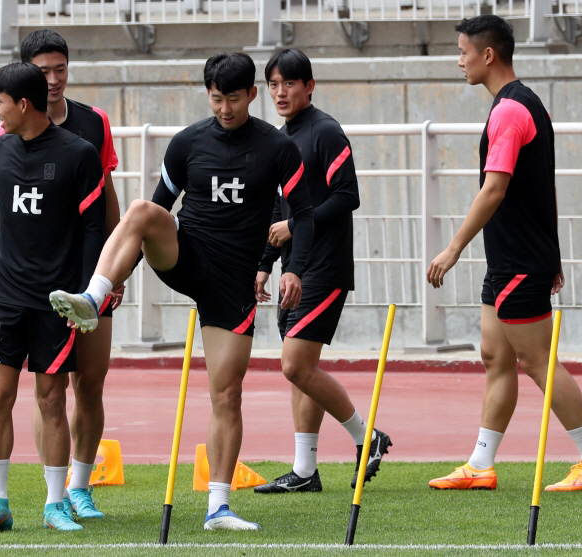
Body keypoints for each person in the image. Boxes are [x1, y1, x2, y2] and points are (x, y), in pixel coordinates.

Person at [49, 52, 314, 530]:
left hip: (232, 280)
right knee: (141, 210)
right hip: (185, 256)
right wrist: (120, 275)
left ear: (251, 95)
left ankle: (218, 507)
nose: (225, 109)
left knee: (226, 393)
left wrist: (292, 269)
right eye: (216, 100)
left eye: (233, 99)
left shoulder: (278, 148)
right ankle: (93, 295)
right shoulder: (188, 143)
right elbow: (152, 215)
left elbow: (306, 215)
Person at [426, 15, 582, 491]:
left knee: (538, 362)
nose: (459, 60)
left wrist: (451, 249)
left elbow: (495, 190)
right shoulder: (522, 104)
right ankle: (480, 465)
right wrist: (553, 255)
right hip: (512, 260)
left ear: (487, 55)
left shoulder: (510, 111)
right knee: (496, 356)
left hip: (517, 261)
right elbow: (541, 187)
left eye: (463, 51)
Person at [0, 29, 122, 521]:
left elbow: (104, 205)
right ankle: (23, 499)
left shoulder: (91, 128)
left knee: (86, 386)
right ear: (28, 80)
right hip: (11, 290)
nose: (55, 79)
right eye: (44, 71)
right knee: (17, 394)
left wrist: (107, 276)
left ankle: (74, 490)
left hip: (79, 283)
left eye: (61, 68)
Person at [252, 48, 391, 495]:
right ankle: (305, 471)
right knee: (302, 367)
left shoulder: (326, 132)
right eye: (273, 84)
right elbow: (279, 209)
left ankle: (365, 437)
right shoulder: (279, 138)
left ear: (309, 86)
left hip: (325, 267)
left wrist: (293, 226)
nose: (280, 92)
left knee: (294, 366)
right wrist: (265, 264)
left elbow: (347, 195)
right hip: (294, 267)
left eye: (289, 83)